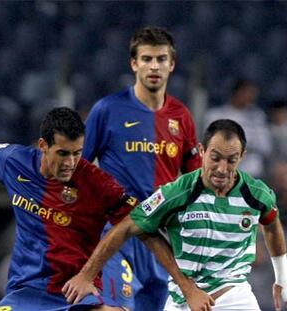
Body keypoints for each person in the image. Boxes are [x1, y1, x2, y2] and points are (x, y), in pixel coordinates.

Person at [0, 92, 186, 311]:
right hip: (28, 290)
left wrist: (186, 286)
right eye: (63, 154)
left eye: (78, 153)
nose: (71, 163)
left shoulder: (97, 183)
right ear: (43, 146)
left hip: (82, 286)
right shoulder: (14, 162)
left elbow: (143, 227)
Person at [63, 119, 287, 311]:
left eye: (231, 160)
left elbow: (272, 225)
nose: (222, 168)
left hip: (236, 298)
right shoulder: (177, 193)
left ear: (241, 157)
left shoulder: (257, 194)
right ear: (202, 151)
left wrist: (283, 276)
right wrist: (86, 275)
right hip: (183, 301)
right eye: (215, 158)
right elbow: (126, 227)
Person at [83, 26, 201, 310]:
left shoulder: (181, 117)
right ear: (134, 63)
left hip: (162, 240)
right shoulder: (107, 110)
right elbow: (79, 169)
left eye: (161, 59)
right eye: (147, 59)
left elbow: (196, 180)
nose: (154, 66)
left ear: (171, 65)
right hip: (117, 236)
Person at [204, 78, 272, 179]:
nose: (251, 98)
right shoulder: (215, 115)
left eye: (253, 94)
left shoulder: (258, 116)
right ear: (237, 93)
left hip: (252, 172)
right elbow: (209, 144)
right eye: (247, 93)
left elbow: (266, 147)